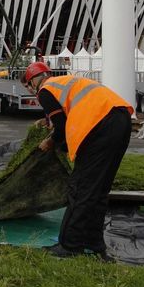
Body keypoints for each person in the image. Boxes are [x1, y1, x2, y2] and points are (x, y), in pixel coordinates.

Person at [21, 62, 133, 260]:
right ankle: (94, 243)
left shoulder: (45, 90)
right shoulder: (64, 82)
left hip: (99, 126)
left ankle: (70, 246)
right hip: (120, 120)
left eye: (29, 86)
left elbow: (62, 125)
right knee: (97, 190)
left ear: (33, 82)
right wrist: (47, 123)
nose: (31, 90)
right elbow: (68, 111)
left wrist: (50, 142)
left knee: (80, 188)